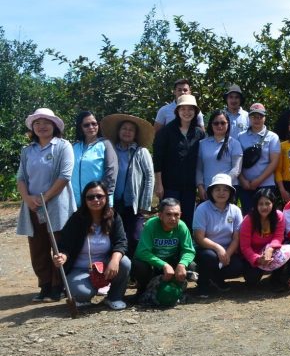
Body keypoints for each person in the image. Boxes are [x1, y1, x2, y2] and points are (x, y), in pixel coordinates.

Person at [17, 108, 77, 302]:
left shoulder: (62, 146)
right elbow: (21, 177)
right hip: (33, 205)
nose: (41, 126)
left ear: (54, 126)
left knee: (58, 246)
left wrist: (46, 197)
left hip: (57, 204)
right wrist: (27, 198)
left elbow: (65, 175)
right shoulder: (27, 150)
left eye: (46, 122)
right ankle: (44, 286)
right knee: (38, 246)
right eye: (37, 123)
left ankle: (57, 287)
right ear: (33, 128)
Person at [52, 181, 130, 310]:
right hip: (80, 269)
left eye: (99, 196)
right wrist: (62, 257)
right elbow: (64, 246)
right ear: (85, 200)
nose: (95, 200)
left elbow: (121, 242)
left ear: (106, 197)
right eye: (90, 197)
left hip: (105, 266)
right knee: (83, 294)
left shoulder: (114, 217)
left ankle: (114, 297)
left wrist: (115, 260)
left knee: (124, 262)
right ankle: (84, 293)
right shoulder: (76, 219)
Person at [101, 113, 154, 258]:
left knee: (135, 237)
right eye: (124, 128)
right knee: (114, 235)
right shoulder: (110, 150)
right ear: (118, 131)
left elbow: (149, 177)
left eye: (131, 130)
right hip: (114, 202)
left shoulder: (141, 152)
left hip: (134, 204)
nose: (127, 132)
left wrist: (145, 204)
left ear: (135, 134)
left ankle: (133, 269)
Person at [152, 94, 205, 228]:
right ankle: (167, 247)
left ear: (195, 112)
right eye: (183, 109)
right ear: (177, 111)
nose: (187, 112)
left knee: (187, 217)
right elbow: (158, 158)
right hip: (170, 184)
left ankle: (185, 247)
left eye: (190, 109)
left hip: (189, 185)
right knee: (169, 217)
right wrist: (158, 184)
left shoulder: (199, 133)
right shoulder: (166, 132)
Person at [132, 198, 197, 299]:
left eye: (176, 215)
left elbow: (189, 250)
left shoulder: (182, 226)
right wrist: (164, 265)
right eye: (168, 214)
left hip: (172, 262)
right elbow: (142, 252)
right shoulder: (151, 225)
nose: (173, 218)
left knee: (191, 265)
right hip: (154, 265)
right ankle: (143, 290)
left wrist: (182, 264)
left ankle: (176, 289)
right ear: (160, 215)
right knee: (139, 264)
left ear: (180, 214)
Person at [191, 174, 243, 297]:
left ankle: (217, 279)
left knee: (238, 266)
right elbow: (199, 237)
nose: (221, 193)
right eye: (217, 189)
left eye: (225, 189)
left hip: (228, 250)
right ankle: (203, 285)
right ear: (211, 191)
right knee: (209, 257)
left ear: (230, 192)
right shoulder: (202, 209)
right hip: (206, 249)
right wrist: (218, 249)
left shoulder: (235, 210)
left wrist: (227, 254)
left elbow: (237, 237)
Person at [239, 188, 289, 290]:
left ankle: (276, 278)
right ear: (256, 205)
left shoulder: (279, 216)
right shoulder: (249, 220)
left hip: (272, 251)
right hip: (254, 253)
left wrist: (270, 249)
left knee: (287, 250)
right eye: (260, 204)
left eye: (267, 203)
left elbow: (278, 237)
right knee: (251, 280)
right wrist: (257, 259)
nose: (264, 207)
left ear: (273, 204)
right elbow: (245, 246)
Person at [237, 103, 280, 214]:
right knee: (248, 216)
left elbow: (274, 162)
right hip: (246, 185)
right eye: (253, 116)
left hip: (266, 185)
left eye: (260, 116)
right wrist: (242, 180)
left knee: (266, 217)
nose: (256, 119)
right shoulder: (240, 136)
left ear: (265, 118)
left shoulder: (273, 137)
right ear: (249, 117)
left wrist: (258, 181)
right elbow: (236, 161)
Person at [70, 111, 118, 207]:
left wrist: (100, 195)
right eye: (86, 125)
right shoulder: (74, 147)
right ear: (80, 128)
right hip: (75, 203)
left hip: (98, 201)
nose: (91, 127)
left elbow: (111, 172)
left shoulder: (105, 144)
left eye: (94, 124)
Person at [196, 109, 243, 200]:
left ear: (228, 124)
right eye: (216, 123)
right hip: (207, 189)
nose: (219, 125)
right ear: (211, 124)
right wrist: (200, 187)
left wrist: (221, 186)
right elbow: (199, 169)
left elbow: (236, 169)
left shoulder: (235, 144)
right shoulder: (202, 144)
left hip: (228, 190)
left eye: (223, 123)